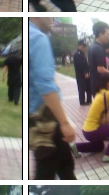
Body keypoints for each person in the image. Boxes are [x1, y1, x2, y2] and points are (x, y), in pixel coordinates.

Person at [29, 18, 78, 179]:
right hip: (45, 119)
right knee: (48, 170)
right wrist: (64, 123)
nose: (51, 19)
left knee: (65, 166)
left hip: (34, 117)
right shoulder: (37, 38)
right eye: (49, 15)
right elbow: (45, 84)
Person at [73, 40, 91, 105]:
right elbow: (79, 65)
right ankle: (82, 101)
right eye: (83, 46)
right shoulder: (77, 54)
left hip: (86, 73)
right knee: (82, 88)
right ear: (79, 46)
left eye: (85, 46)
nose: (84, 48)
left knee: (88, 87)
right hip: (80, 75)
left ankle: (89, 100)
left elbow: (86, 64)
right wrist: (85, 72)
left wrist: (88, 71)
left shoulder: (82, 53)